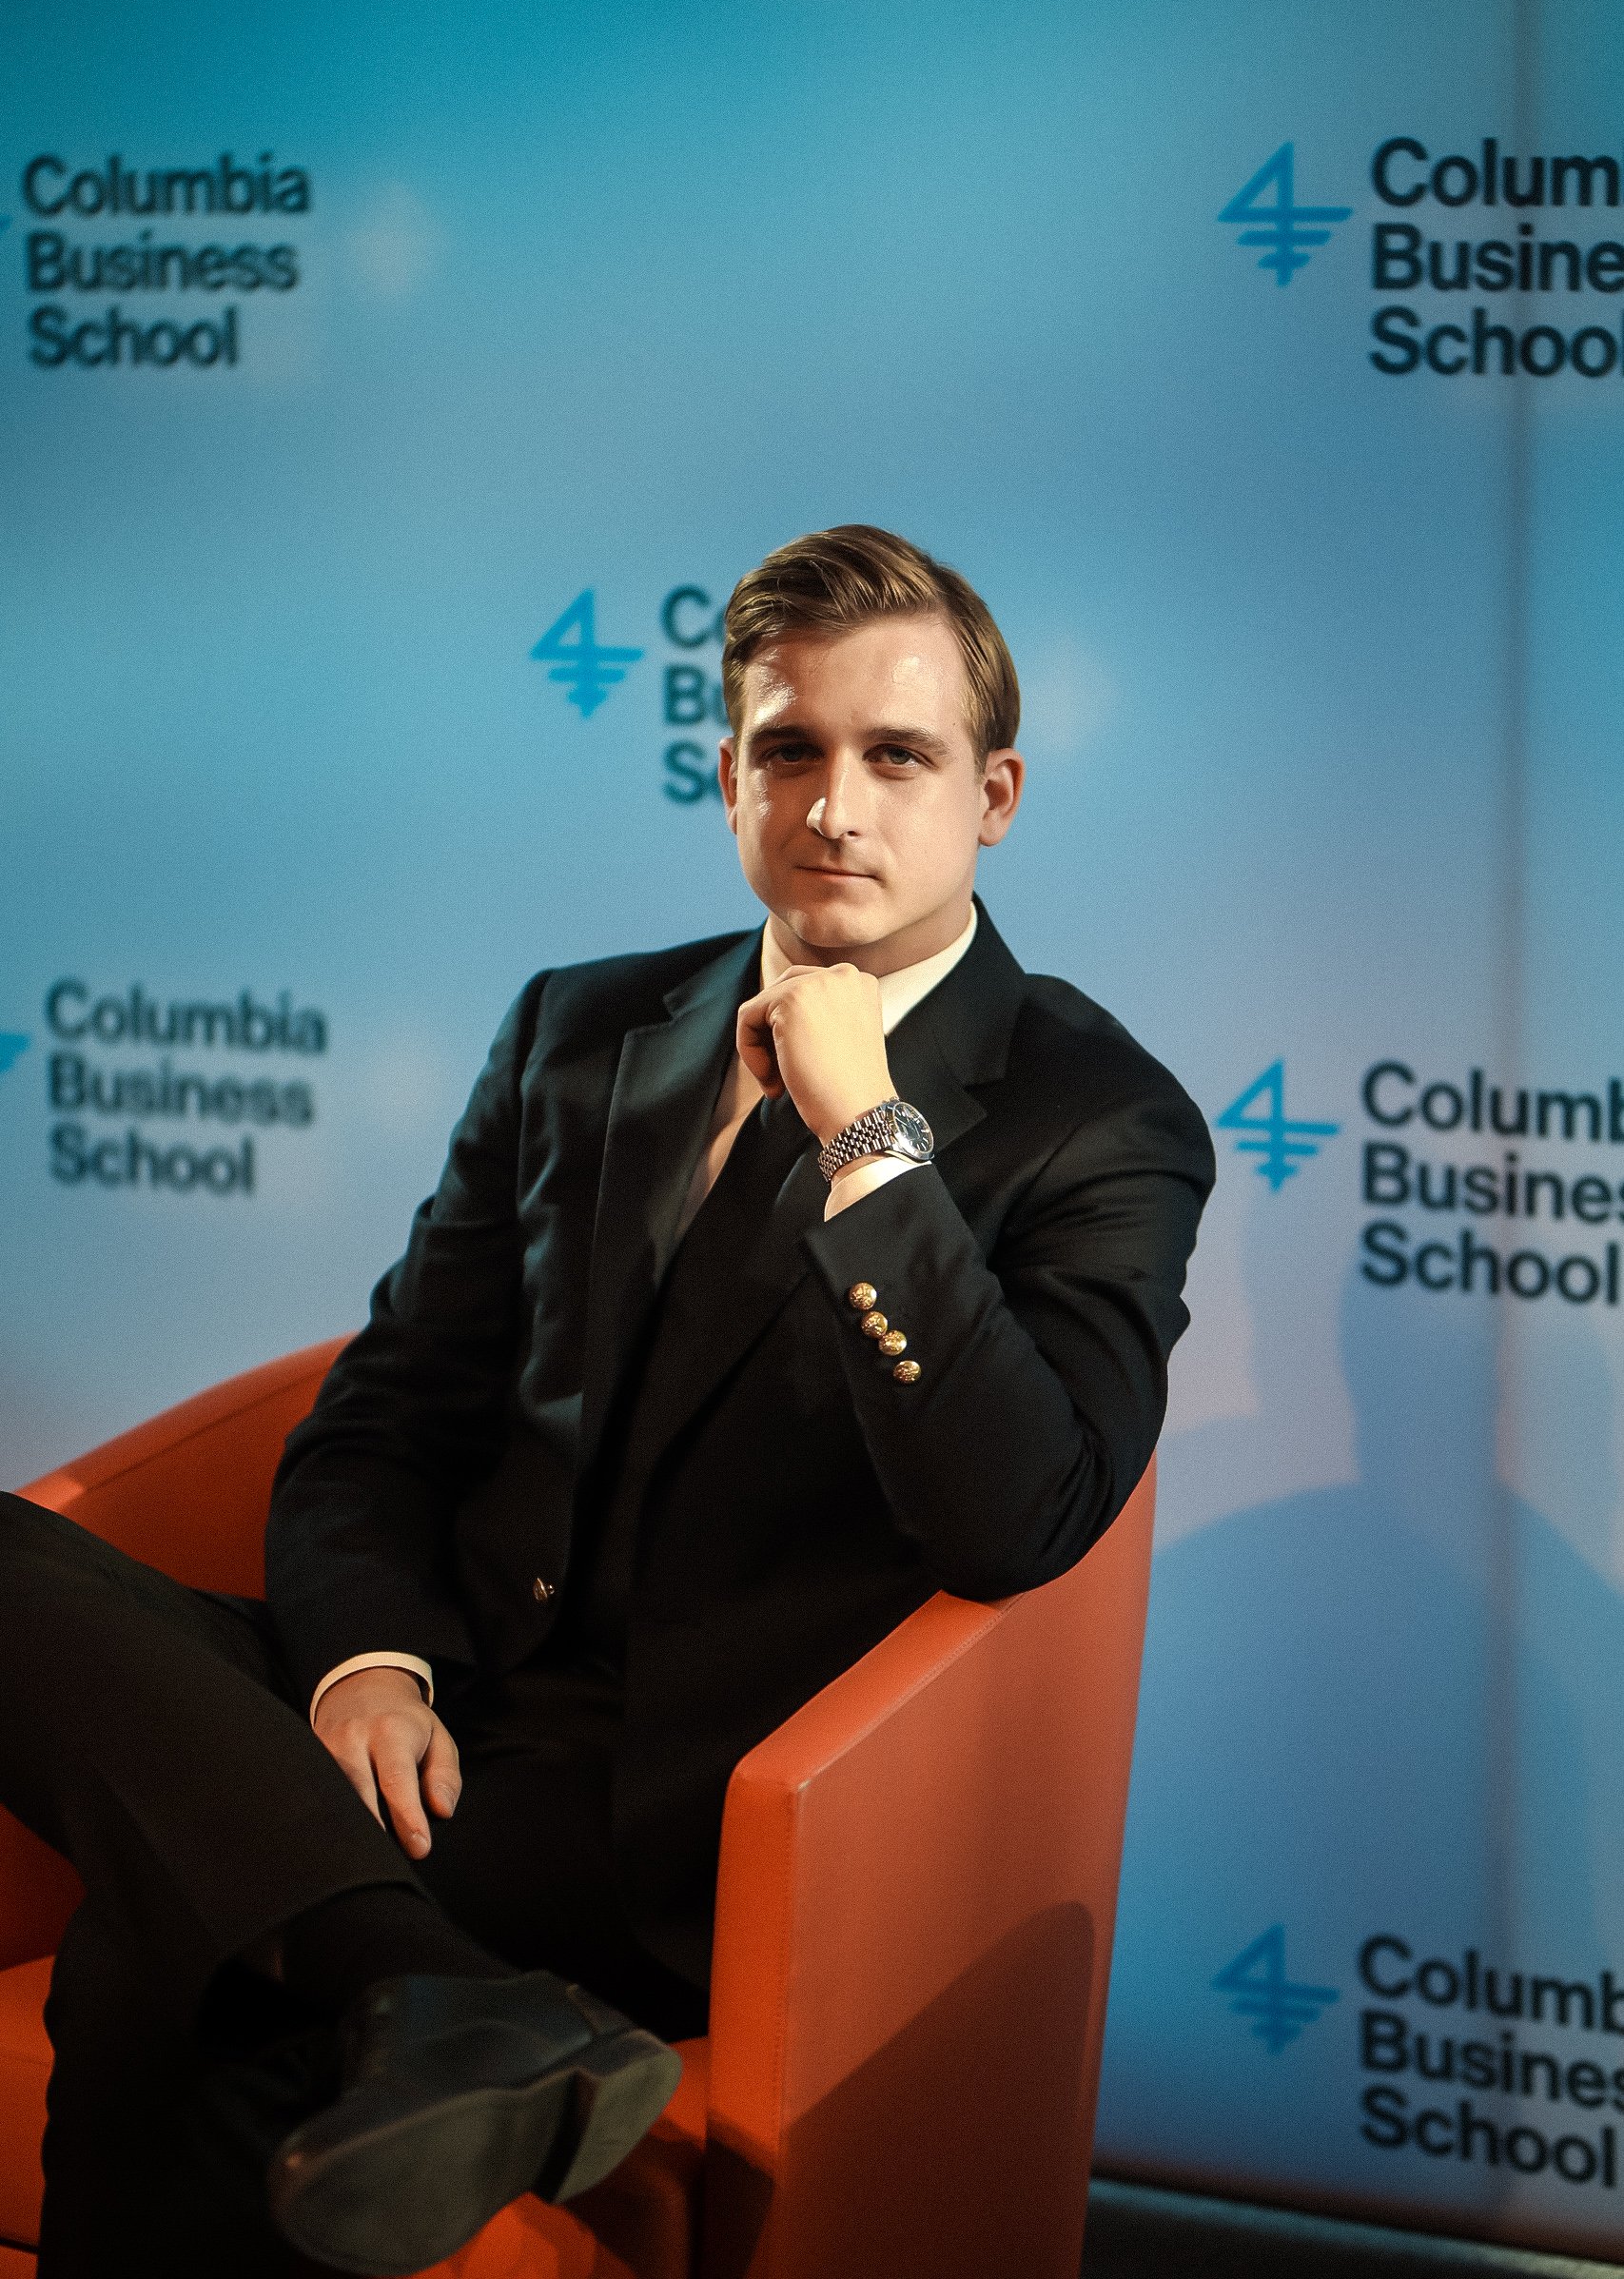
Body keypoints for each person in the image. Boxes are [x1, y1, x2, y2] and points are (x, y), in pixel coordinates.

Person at [0, 525, 1214, 2276]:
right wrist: (366, 1663)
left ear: (995, 794)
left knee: (156, 1939)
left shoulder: (1100, 1117)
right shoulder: (583, 1028)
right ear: (728, 773)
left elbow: (1024, 1510)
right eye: (789, 750)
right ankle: (439, 1996)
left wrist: (872, 1144)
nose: (836, 807)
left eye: (898, 757)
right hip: (440, 1695)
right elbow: (385, 1413)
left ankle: (416, 1987)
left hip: (691, 1802)